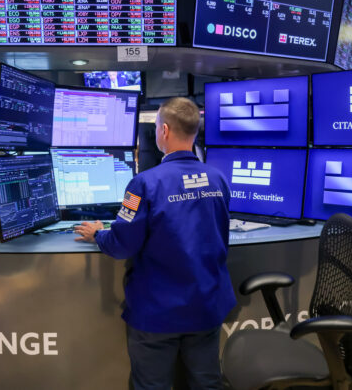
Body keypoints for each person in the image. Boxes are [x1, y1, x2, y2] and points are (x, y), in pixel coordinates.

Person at [75, 97, 236, 389]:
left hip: (158, 312)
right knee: (206, 383)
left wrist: (98, 233)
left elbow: (122, 244)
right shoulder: (218, 179)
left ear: (163, 131)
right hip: (207, 304)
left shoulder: (143, 184)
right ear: (195, 132)